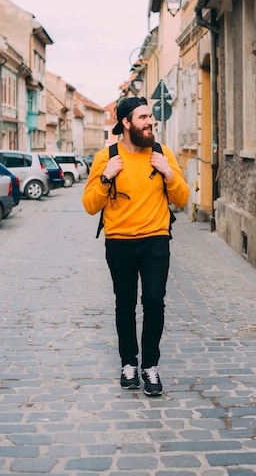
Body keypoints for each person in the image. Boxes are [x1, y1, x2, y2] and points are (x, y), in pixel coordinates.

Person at [82, 96, 190, 396]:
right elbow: (90, 205)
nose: (150, 122)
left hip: (156, 241)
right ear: (126, 123)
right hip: (119, 243)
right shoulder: (107, 157)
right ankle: (129, 363)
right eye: (143, 118)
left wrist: (168, 173)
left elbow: (182, 199)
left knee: (155, 302)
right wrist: (106, 177)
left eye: (150, 117)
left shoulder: (162, 153)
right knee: (125, 305)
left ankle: (150, 366)